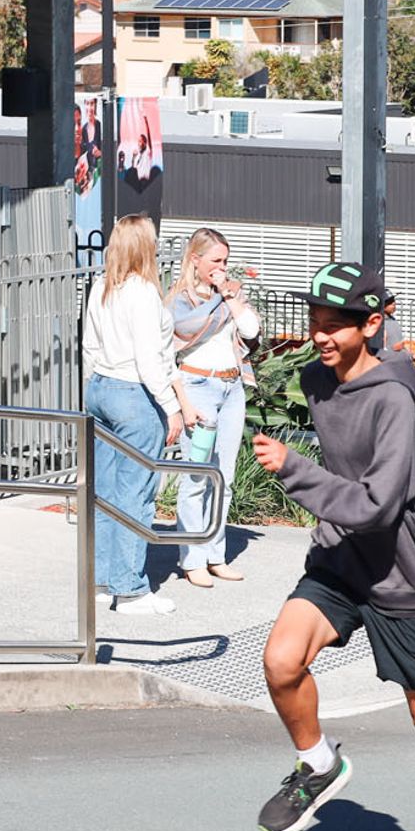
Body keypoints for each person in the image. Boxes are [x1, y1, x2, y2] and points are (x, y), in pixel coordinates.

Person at [250, 261, 415, 831]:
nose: (320, 336)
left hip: (399, 573)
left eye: (335, 325)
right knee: (280, 660)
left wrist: (294, 470)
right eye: (315, 322)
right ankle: (318, 763)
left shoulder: (392, 399)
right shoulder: (315, 380)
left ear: (372, 325)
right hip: (339, 560)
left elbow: (379, 505)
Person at [81, 214, 191, 615]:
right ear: (145, 246)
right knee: (136, 494)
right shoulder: (143, 292)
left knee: (105, 492)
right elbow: (149, 359)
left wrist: (94, 385)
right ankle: (130, 589)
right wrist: (172, 406)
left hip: (100, 388)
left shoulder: (102, 286)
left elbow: (89, 346)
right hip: (133, 393)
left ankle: (101, 581)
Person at [166, 228, 259, 589]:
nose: (222, 267)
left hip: (232, 386)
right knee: (197, 476)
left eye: (225, 261)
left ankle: (215, 554)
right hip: (198, 386)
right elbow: (181, 333)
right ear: (196, 259)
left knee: (225, 476)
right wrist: (184, 404)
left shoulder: (229, 294)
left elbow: (250, 329)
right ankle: (192, 559)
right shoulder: (180, 300)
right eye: (216, 260)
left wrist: (229, 296)